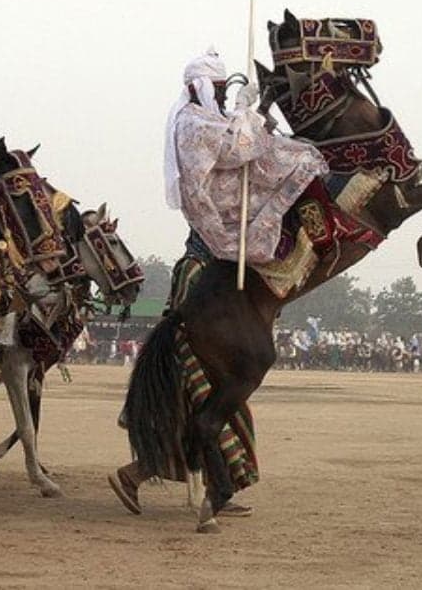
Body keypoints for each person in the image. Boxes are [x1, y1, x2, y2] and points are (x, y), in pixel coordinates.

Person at [109, 48, 327, 517]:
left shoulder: (201, 121)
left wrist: (257, 112)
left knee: (227, 389)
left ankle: (212, 481)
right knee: (207, 390)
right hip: (204, 266)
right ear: (202, 87)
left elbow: (243, 147)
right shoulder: (192, 123)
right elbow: (237, 148)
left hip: (217, 260)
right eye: (222, 89)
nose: (226, 97)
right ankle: (147, 472)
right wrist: (252, 113)